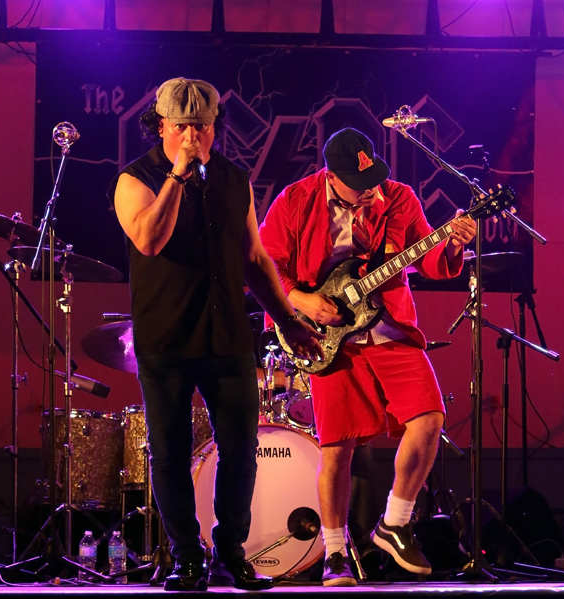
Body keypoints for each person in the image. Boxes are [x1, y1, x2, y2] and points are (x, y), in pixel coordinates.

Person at [113, 77, 321, 593]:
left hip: (226, 334)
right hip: (166, 336)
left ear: (214, 128)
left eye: (202, 127)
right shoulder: (135, 180)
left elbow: (254, 257)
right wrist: (178, 177)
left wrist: (288, 320)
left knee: (241, 450)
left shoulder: (233, 178)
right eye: (182, 126)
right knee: (169, 451)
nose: (192, 137)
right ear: (161, 125)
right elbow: (149, 239)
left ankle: (232, 553)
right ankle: (187, 558)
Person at [258, 127, 476, 587]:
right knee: (336, 449)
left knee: (430, 418)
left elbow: (429, 261)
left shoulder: (399, 199)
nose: (370, 191)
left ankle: (394, 522)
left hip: (389, 328)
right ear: (331, 177)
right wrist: (301, 300)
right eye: (358, 185)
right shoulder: (295, 201)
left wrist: (453, 244)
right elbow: (264, 264)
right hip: (326, 337)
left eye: (374, 179)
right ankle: (335, 553)